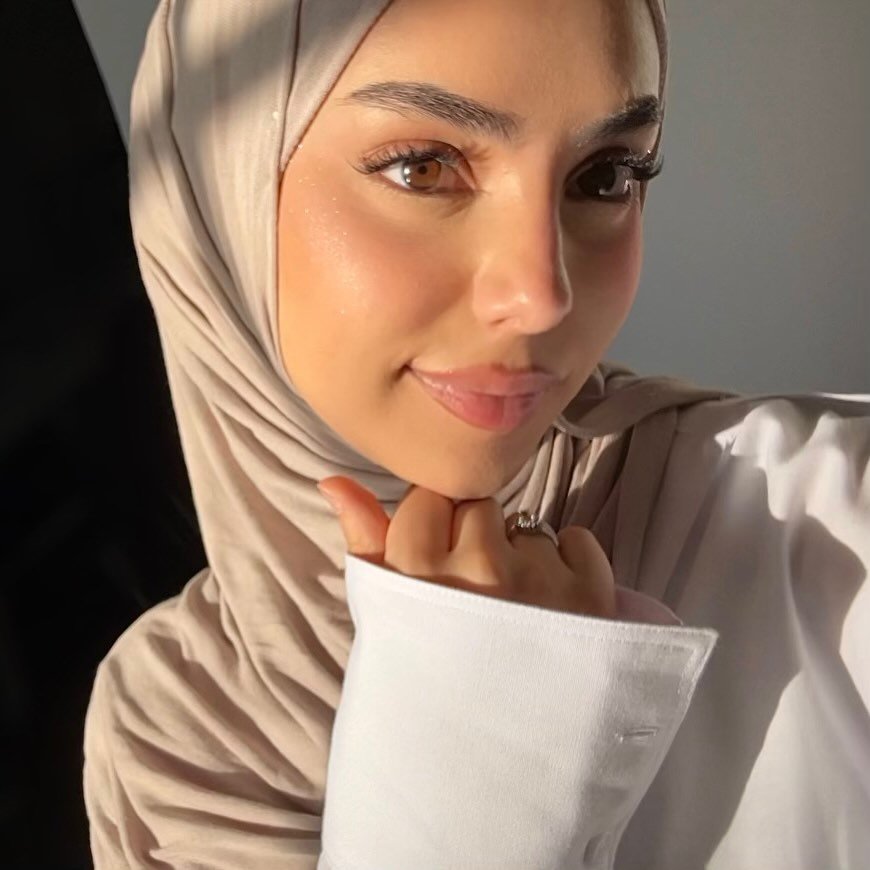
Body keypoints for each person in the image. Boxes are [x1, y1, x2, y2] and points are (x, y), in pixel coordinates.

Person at [81, 0, 869, 867]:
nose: (542, 295)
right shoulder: (172, 736)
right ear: (218, 196)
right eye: (423, 168)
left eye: (605, 175)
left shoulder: (828, 526)